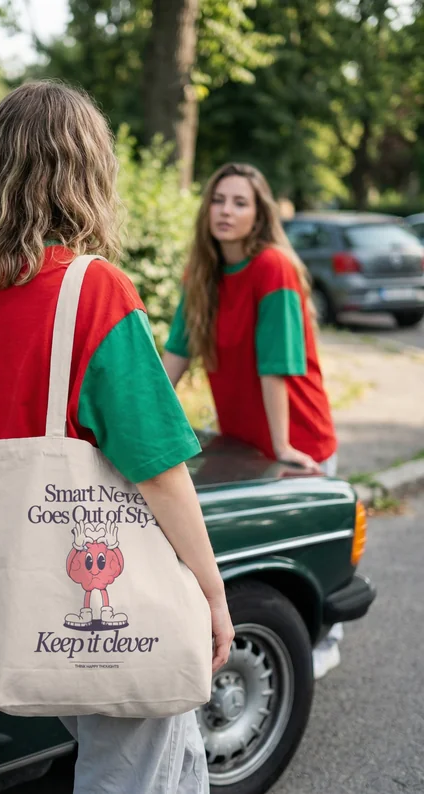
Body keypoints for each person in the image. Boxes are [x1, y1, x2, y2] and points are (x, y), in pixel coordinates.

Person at [0, 80, 234, 793]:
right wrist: (211, 591)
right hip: (112, 604)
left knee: (169, 759)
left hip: (21, 597)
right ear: (87, 174)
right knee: (130, 773)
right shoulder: (96, 290)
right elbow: (158, 467)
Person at [162, 162, 341, 680]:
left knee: (313, 559)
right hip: (244, 442)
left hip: (298, 439)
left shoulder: (273, 268)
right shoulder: (202, 274)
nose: (226, 211)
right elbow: (175, 355)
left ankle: (322, 640)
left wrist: (283, 443)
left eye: (240, 202)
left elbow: (277, 363)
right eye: (219, 200)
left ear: (259, 213)